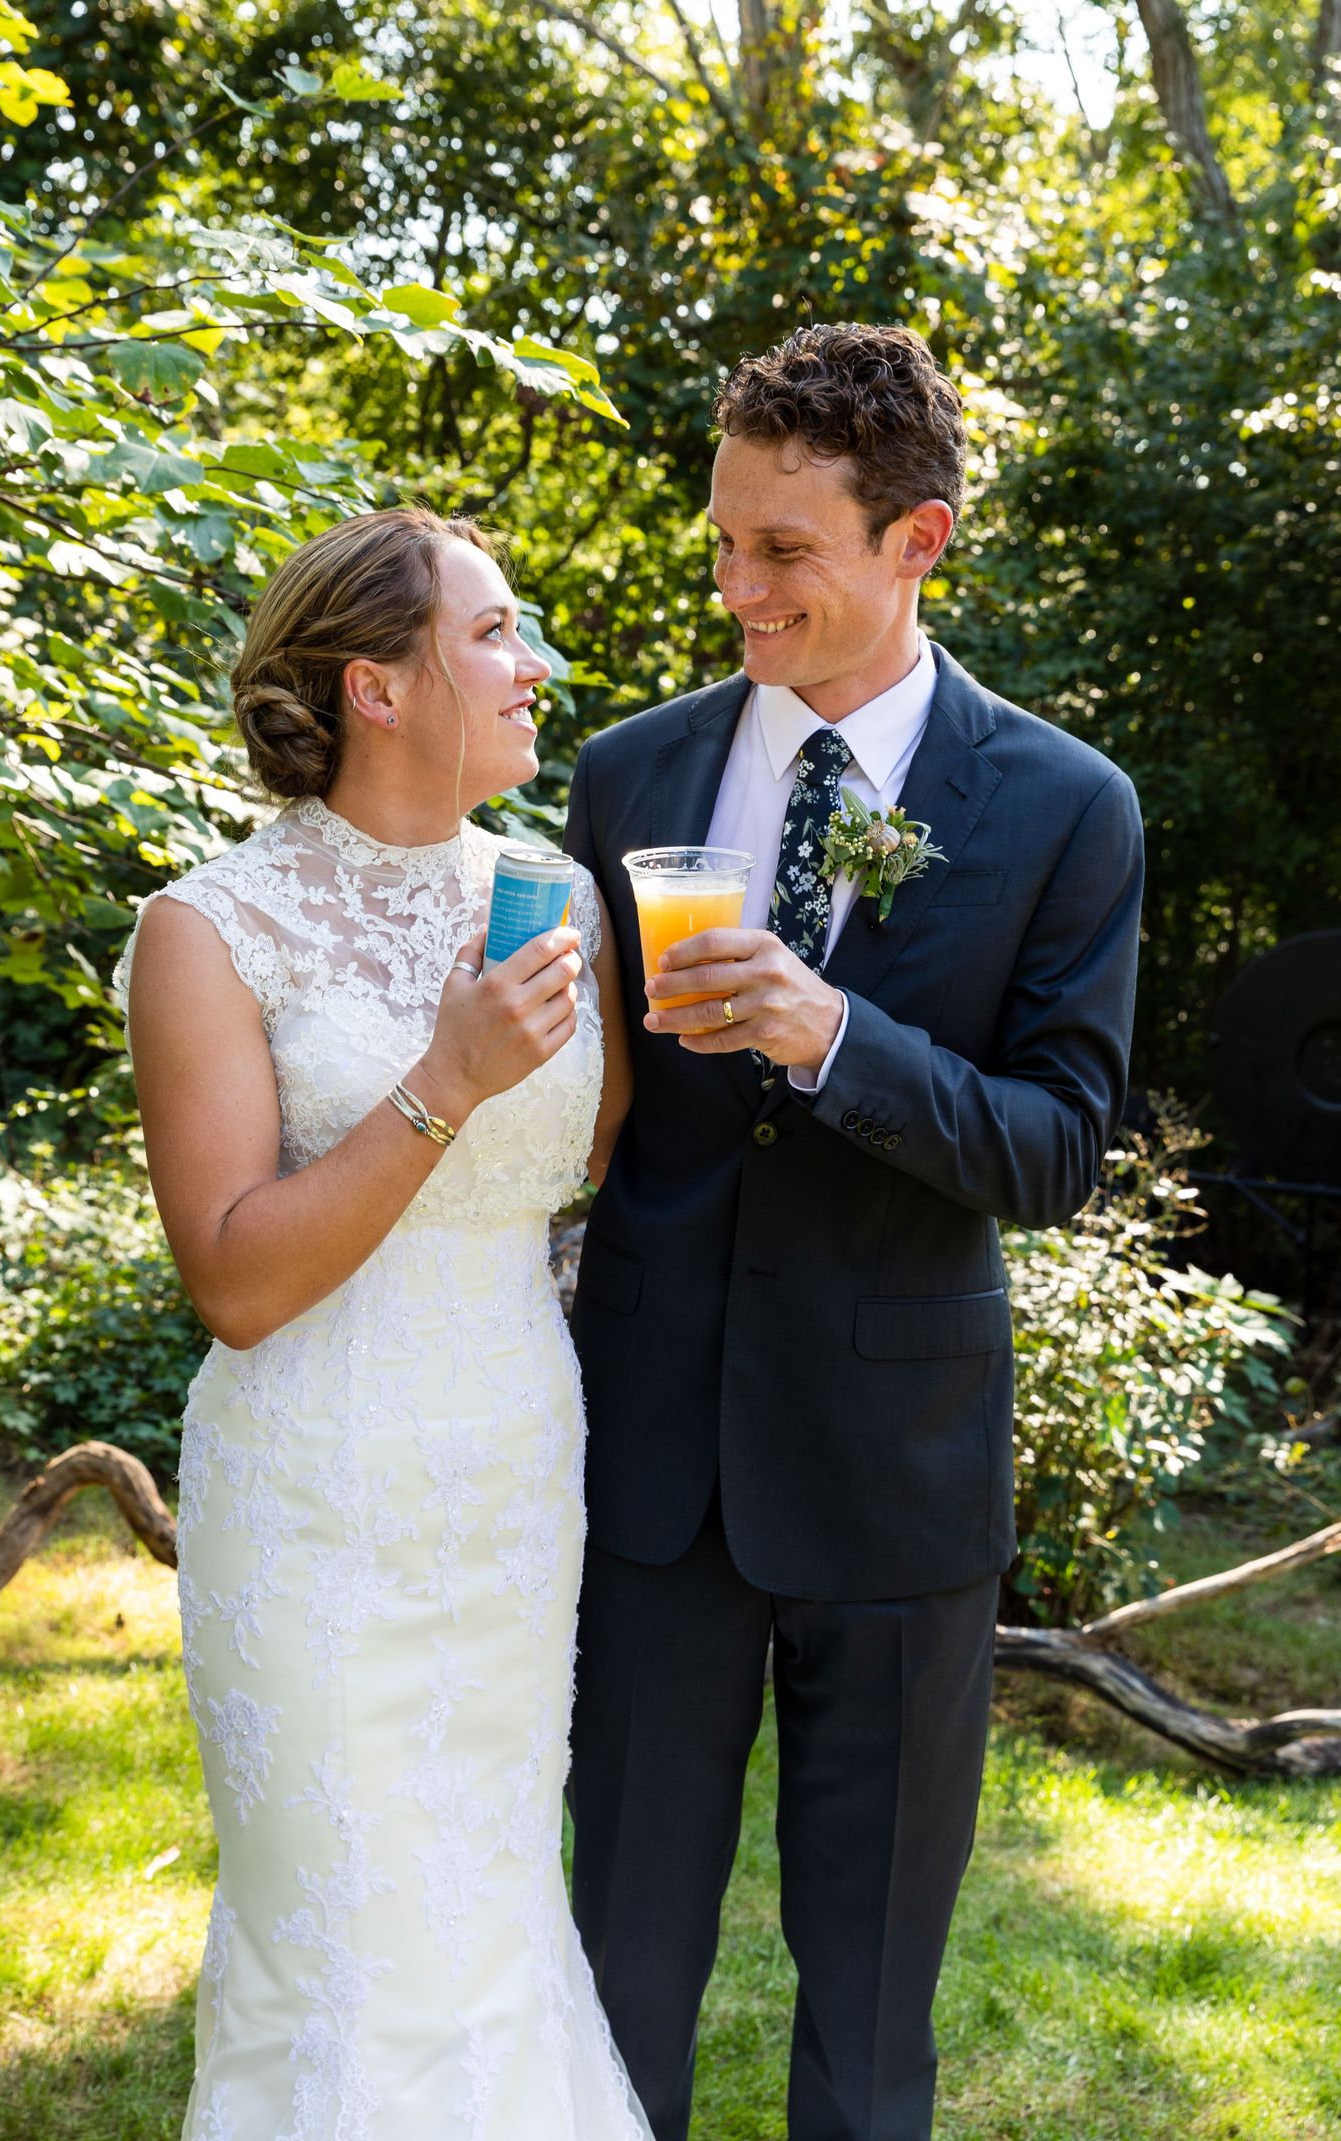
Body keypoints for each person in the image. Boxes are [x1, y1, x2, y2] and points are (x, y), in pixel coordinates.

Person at [564, 322, 1144, 2141]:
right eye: (724, 543)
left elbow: (1057, 1147)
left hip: (900, 1477)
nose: (737, 590)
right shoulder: (628, 776)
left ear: (919, 541)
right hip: (653, 1466)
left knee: (874, 2009)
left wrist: (835, 1036)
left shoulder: (1067, 807)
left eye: (783, 550)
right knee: (612, 1977)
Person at [118, 506, 648, 2140]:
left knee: (488, 1919)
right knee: (352, 1944)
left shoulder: (562, 897)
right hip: (315, 1495)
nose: (531, 663)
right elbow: (236, 1282)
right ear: (378, 687)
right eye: (491, 632)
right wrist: (445, 1079)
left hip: (511, 1479)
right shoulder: (209, 929)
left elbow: (587, 1162)